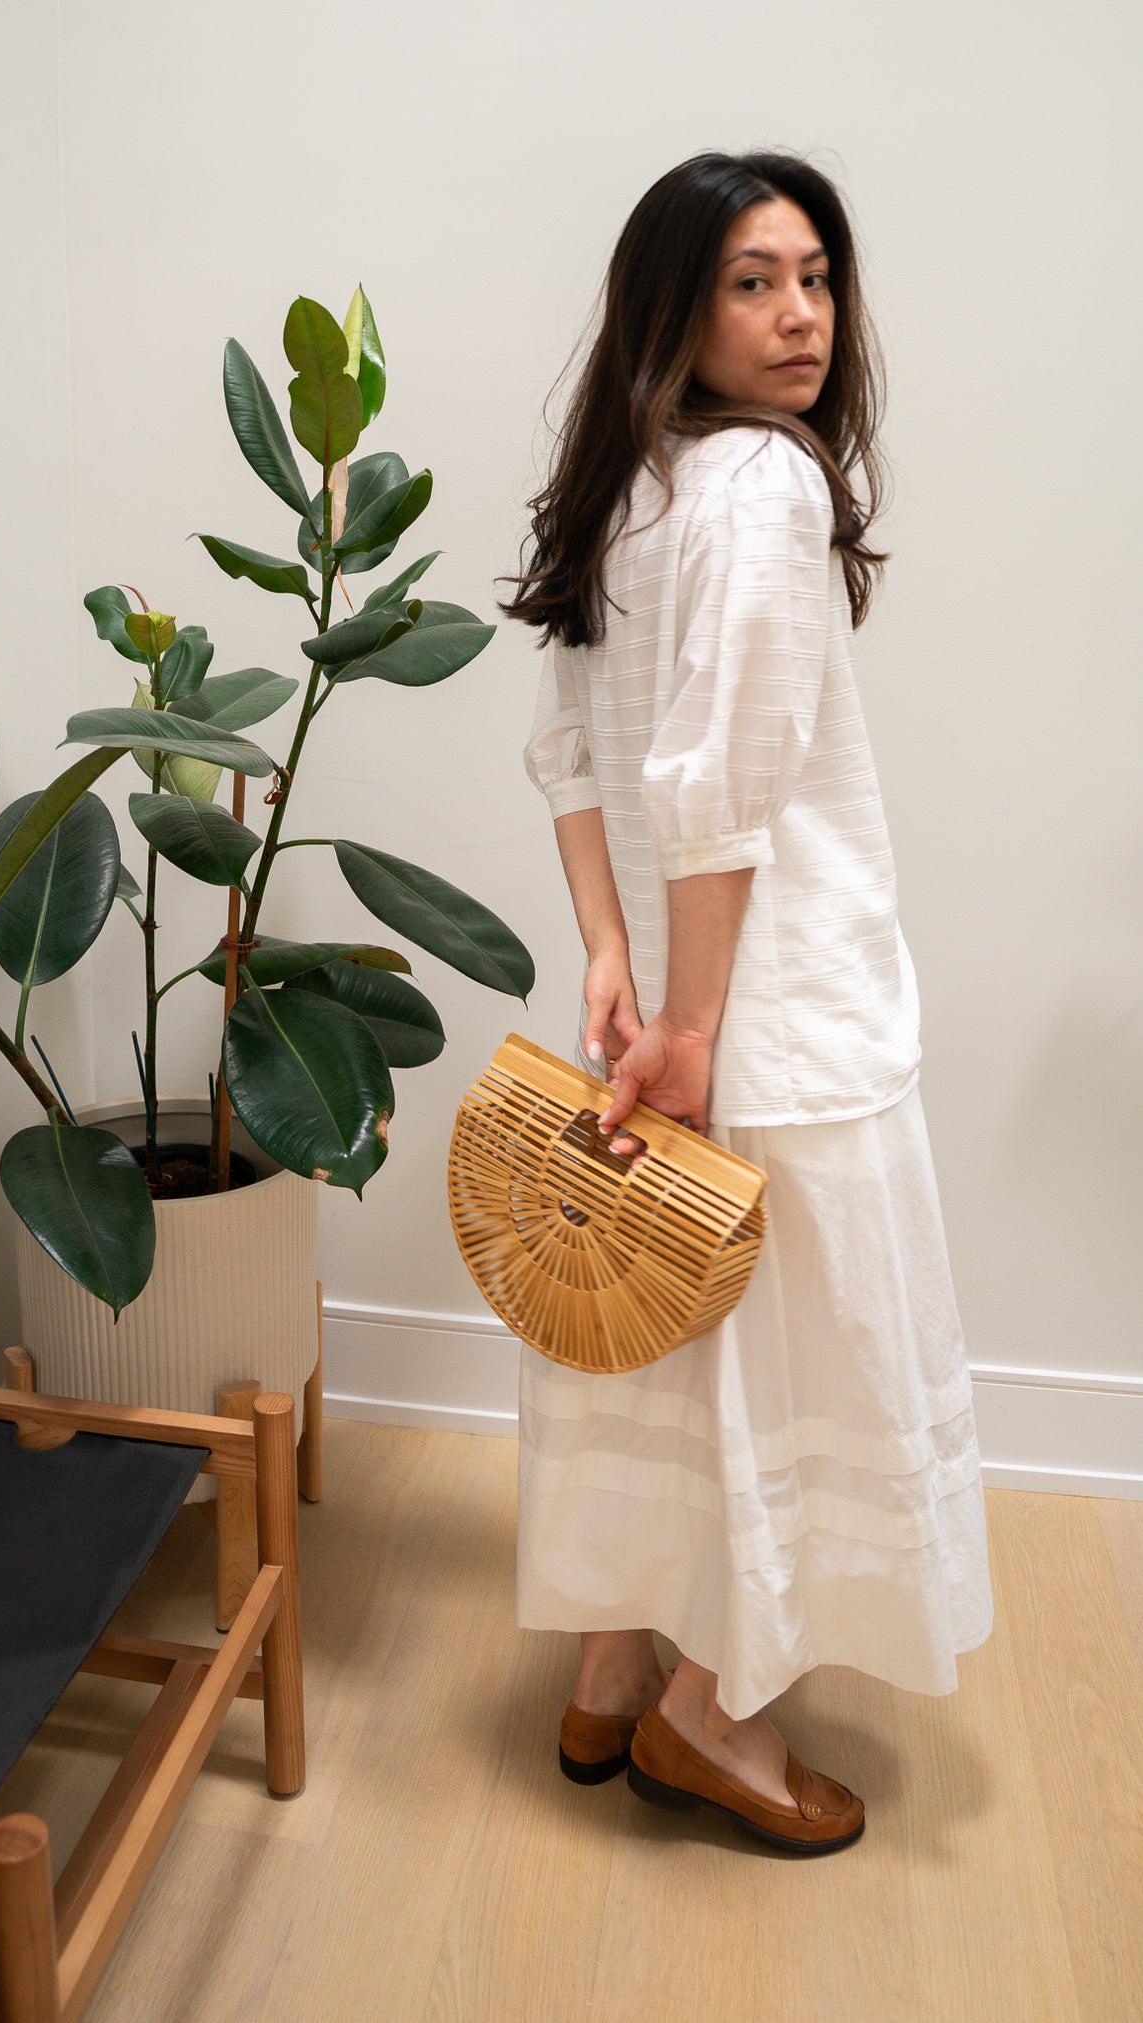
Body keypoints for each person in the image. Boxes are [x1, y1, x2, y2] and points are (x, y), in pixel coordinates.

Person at [497, 150, 994, 1856]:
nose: (800, 316)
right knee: (796, 1359)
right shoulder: (764, 488)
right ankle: (708, 1714)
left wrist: (608, 954)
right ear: (676, 307)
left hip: (661, 987)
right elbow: (719, 787)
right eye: (751, 283)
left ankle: (610, 1669)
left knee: (647, 1325)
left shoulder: (620, 489)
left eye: (814, 277)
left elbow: (570, 748)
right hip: (768, 1004)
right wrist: (693, 1028)